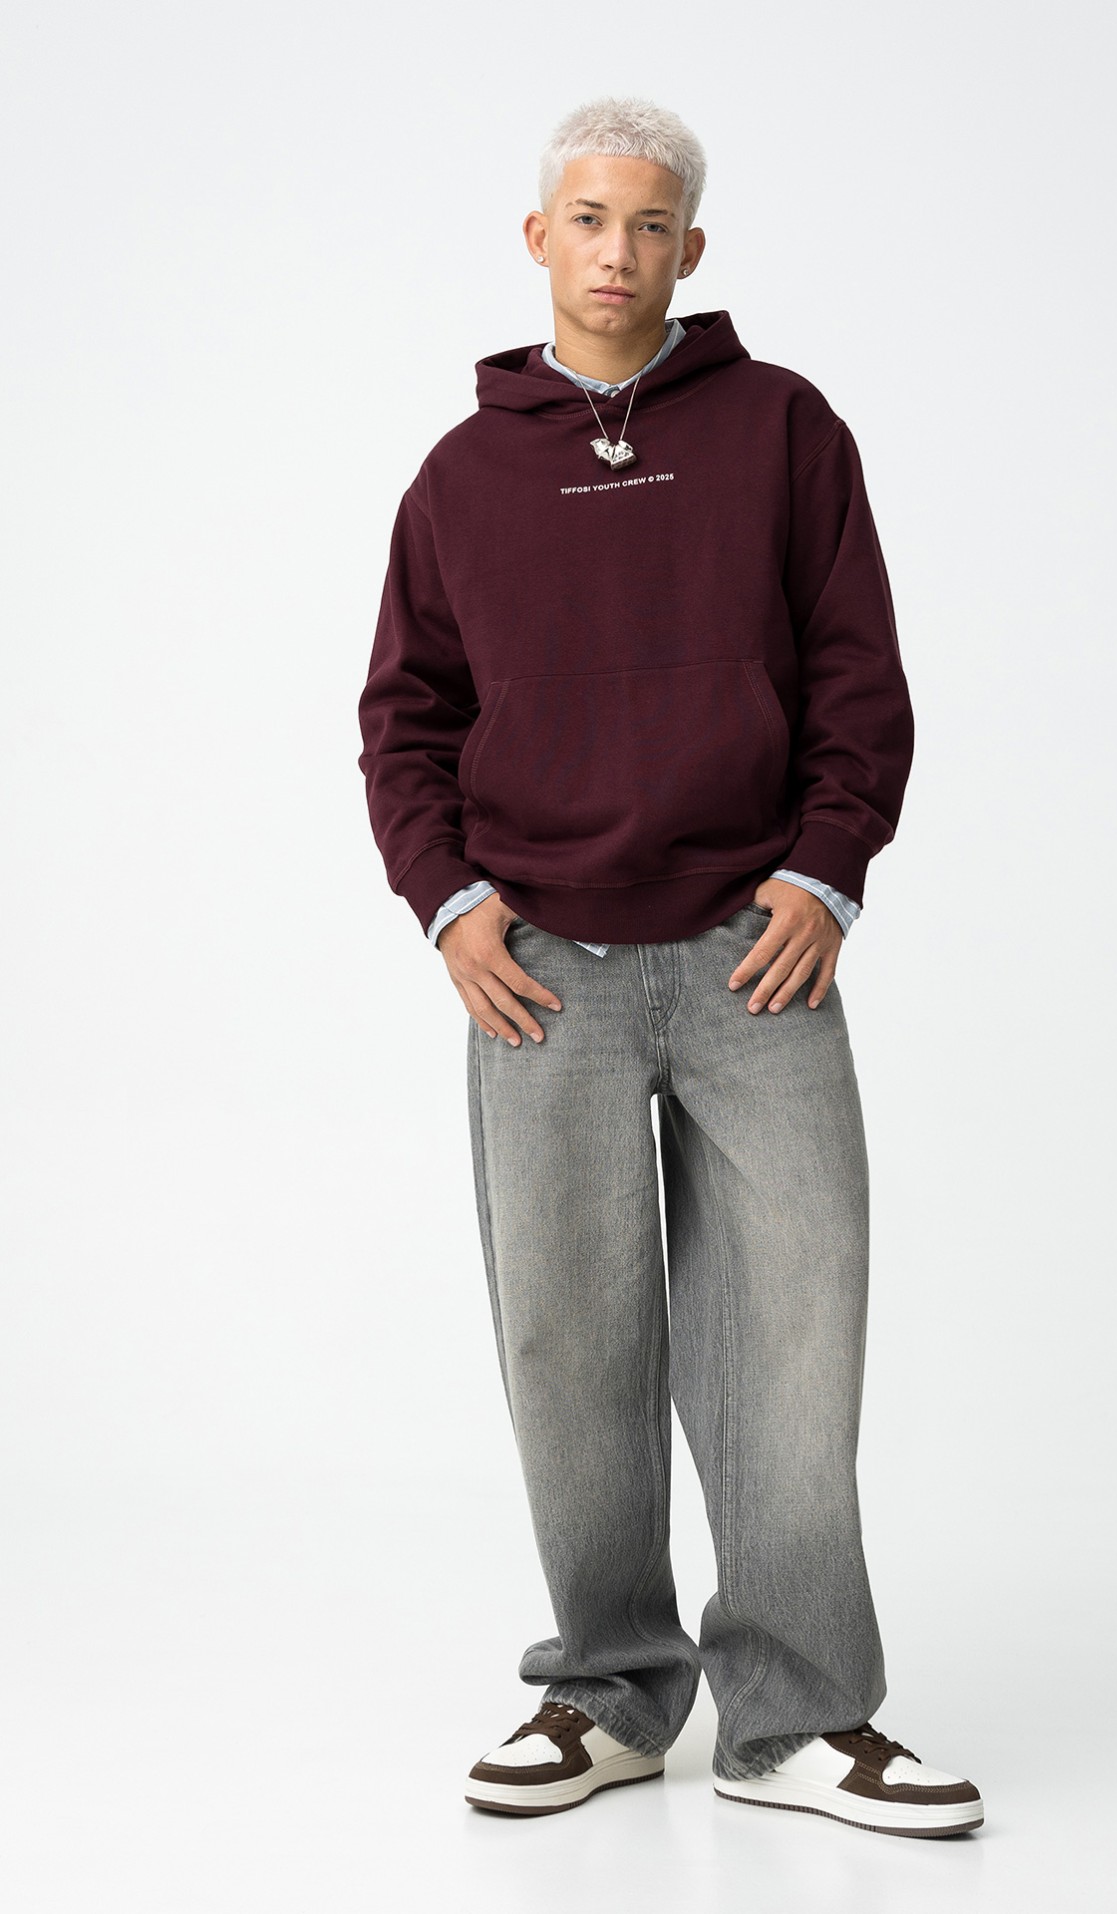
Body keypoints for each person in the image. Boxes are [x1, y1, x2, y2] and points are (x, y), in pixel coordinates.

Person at [357, 94, 983, 1839]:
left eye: (650, 223)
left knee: (794, 1329)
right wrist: (450, 906)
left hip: (753, 956)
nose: (618, 250)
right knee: (569, 1338)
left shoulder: (783, 430)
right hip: (539, 966)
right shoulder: (461, 478)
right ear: (538, 238)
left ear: (691, 248)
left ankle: (797, 1713)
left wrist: (826, 871)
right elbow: (405, 718)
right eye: (588, 218)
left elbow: (857, 672)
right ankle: (609, 1690)